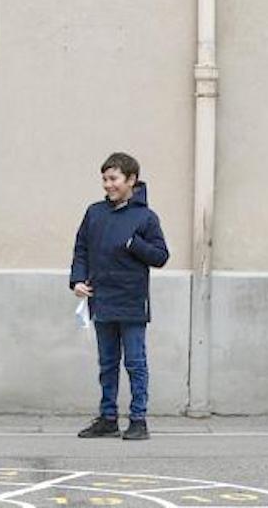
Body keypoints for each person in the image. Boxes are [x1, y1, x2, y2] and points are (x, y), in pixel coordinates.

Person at [70, 152, 169, 441]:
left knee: (135, 362)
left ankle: (138, 419)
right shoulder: (94, 212)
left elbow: (161, 256)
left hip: (132, 301)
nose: (108, 185)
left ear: (131, 180)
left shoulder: (146, 217)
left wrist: (134, 244)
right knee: (107, 363)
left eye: (113, 179)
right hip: (101, 299)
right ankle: (108, 417)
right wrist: (77, 280)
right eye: (104, 179)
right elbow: (81, 250)